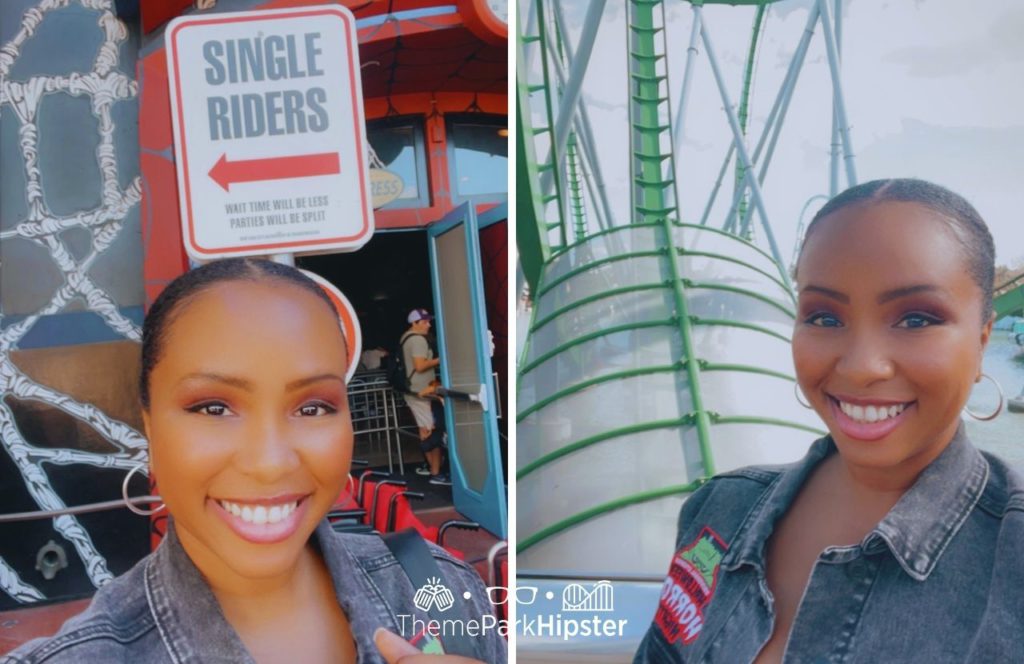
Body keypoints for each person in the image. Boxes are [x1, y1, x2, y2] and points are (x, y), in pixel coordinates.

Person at [5, 258, 505, 663]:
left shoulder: (440, 589)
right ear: (150, 427)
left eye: (313, 407)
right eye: (213, 407)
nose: (269, 463)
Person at [634, 179, 1024, 662]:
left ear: (983, 338)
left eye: (917, 319)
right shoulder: (719, 511)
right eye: (824, 317)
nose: (861, 366)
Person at [400, 309, 450, 486]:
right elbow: (420, 366)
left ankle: (431, 467)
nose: (429, 324)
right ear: (415, 323)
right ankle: (435, 473)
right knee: (430, 431)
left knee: (425, 430)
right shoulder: (418, 340)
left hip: (415, 391)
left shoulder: (405, 338)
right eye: (425, 321)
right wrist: (441, 359)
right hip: (421, 393)